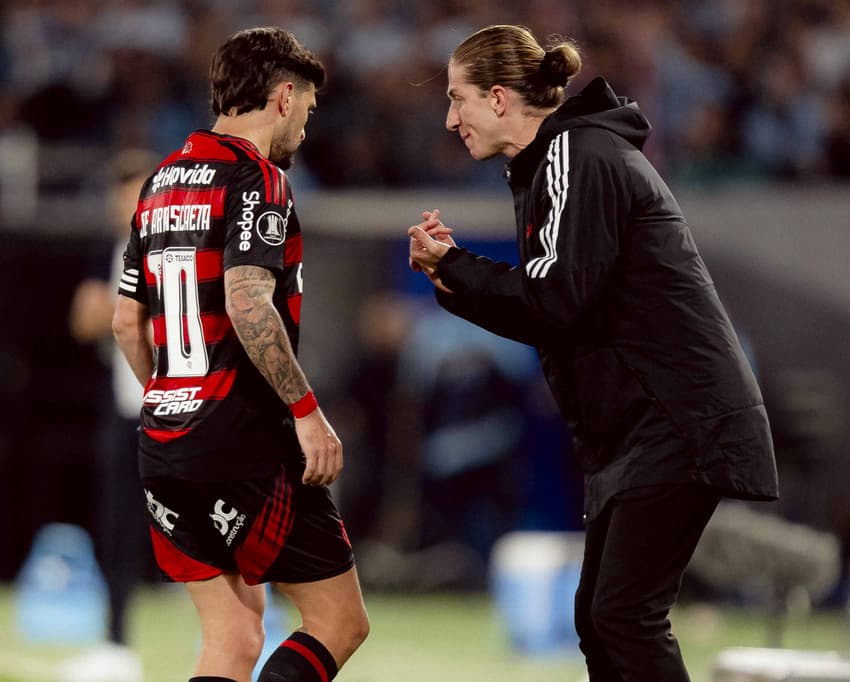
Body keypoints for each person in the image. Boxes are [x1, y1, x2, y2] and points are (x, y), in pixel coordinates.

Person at [407, 24, 779, 682]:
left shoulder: (574, 152)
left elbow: (557, 300)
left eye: (457, 98)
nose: (449, 117)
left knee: (622, 617)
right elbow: (558, 311)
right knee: (602, 619)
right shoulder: (559, 160)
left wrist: (459, 268)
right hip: (652, 425)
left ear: (498, 99)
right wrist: (451, 278)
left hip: (674, 420)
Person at [112, 27, 369, 682]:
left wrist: (170, 401)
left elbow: (124, 323)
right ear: (284, 97)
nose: (306, 130)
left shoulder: (159, 182)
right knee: (339, 621)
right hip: (241, 439)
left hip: (164, 439)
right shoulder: (258, 179)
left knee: (232, 638)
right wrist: (306, 410)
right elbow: (248, 302)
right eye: (308, 110)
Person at [69, 148, 159, 650]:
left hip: (174, 406)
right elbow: (82, 320)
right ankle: (114, 637)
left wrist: (115, 307)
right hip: (123, 410)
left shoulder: (175, 247)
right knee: (117, 525)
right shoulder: (104, 250)